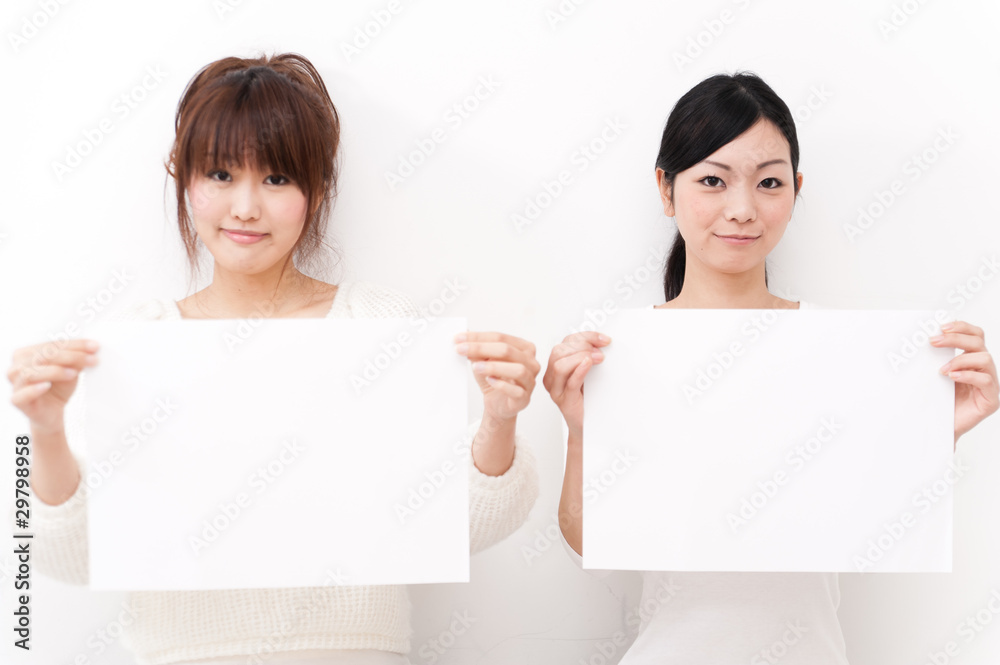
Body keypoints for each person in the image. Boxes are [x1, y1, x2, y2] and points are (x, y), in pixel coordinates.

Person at [7, 52, 540, 665]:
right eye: (221, 175)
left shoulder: (375, 326)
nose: (245, 208)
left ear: (317, 189)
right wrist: (43, 432)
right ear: (182, 180)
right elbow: (63, 555)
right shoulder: (135, 342)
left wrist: (499, 419)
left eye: (277, 178)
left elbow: (465, 526)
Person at [543, 71, 998, 663]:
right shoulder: (616, 354)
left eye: (769, 183)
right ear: (665, 188)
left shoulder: (848, 351)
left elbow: (873, 533)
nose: (742, 209)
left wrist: (932, 426)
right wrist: (582, 430)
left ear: (796, 189)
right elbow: (589, 543)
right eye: (712, 179)